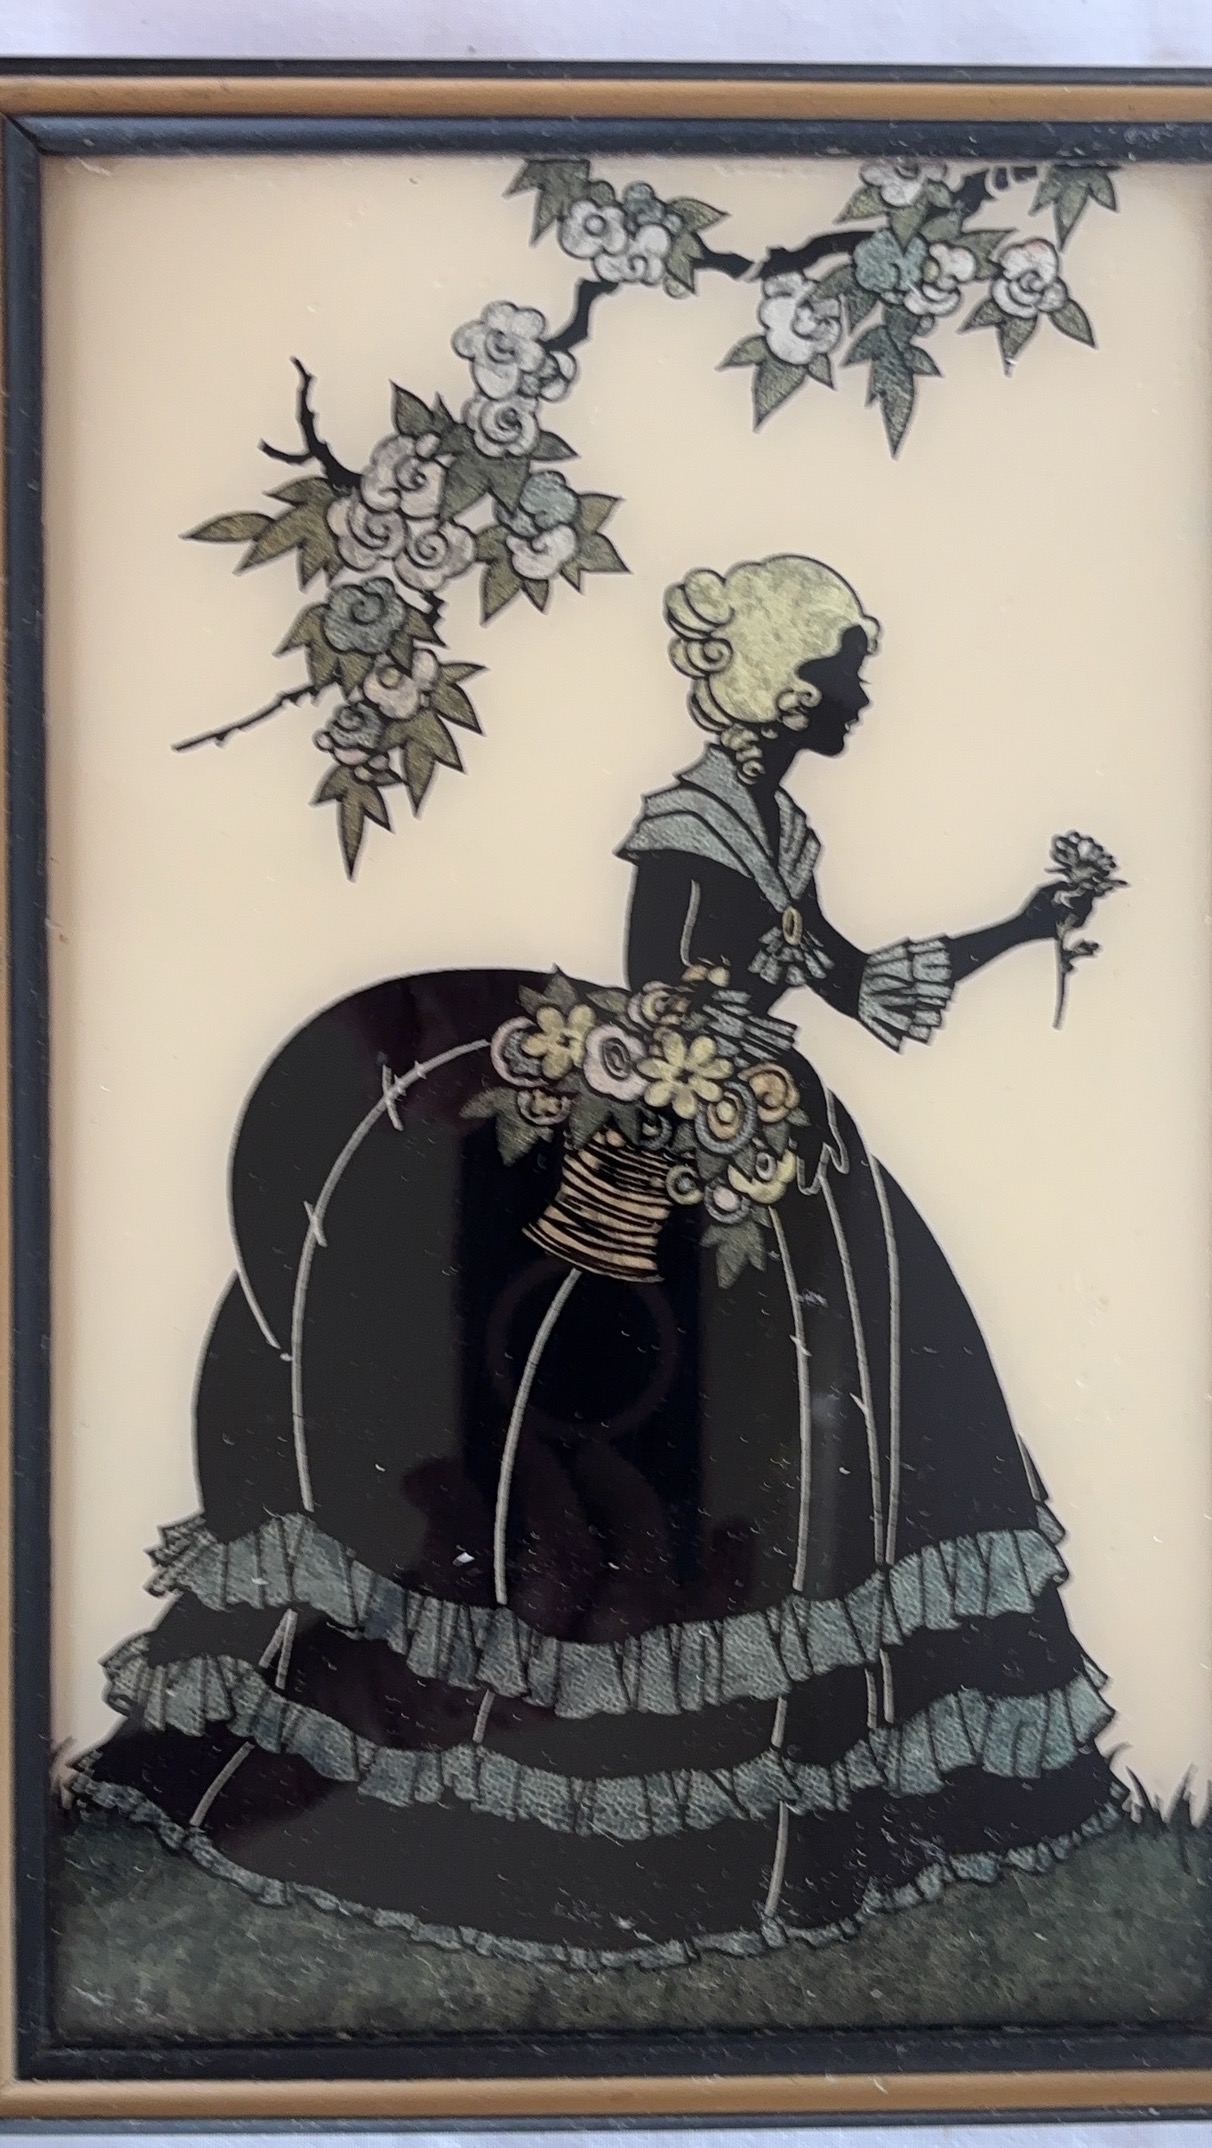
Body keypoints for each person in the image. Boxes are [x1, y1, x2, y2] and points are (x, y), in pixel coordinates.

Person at [73, 554, 1122, 1967]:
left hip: (770, 1153)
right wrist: (674, 1138)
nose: (862, 696)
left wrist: (1028, 923)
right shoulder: (691, 824)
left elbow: (857, 984)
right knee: (638, 1441)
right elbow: (660, 1008)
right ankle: (553, 1786)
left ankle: (804, 1792)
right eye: (844, 673)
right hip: (675, 1157)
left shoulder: (778, 823)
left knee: (841, 1458)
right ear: (787, 683)